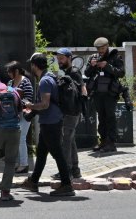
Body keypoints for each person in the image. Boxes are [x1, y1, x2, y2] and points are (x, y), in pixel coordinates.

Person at [22, 53, 75, 197]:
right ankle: (33, 181)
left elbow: (45, 104)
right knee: (41, 153)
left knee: (57, 153)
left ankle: (66, 185)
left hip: (51, 122)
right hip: (50, 120)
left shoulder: (45, 81)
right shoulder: (50, 76)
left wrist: (30, 106)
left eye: (31, 65)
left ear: (34, 65)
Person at [84, 37, 125, 152]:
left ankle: (111, 143)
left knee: (110, 117)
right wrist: (92, 66)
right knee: (101, 118)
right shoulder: (93, 57)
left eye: (102, 48)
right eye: (98, 49)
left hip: (110, 93)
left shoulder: (115, 57)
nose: (100, 50)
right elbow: (86, 73)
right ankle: (103, 141)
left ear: (107, 46)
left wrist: (107, 66)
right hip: (97, 93)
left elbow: (121, 73)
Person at [55, 48, 85, 178]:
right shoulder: (68, 72)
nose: (59, 61)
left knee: (66, 141)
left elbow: (83, 89)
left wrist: (80, 107)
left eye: (61, 58)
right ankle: (75, 169)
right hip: (71, 111)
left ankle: (66, 171)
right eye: (58, 58)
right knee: (70, 140)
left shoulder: (73, 71)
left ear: (69, 58)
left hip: (71, 112)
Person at [6, 61, 34, 174]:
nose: (8, 74)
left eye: (10, 71)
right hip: (13, 114)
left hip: (24, 113)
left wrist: (18, 97)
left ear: (16, 71)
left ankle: (24, 164)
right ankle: (18, 163)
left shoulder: (26, 82)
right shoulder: (10, 82)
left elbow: (29, 99)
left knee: (21, 137)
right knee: (15, 138)